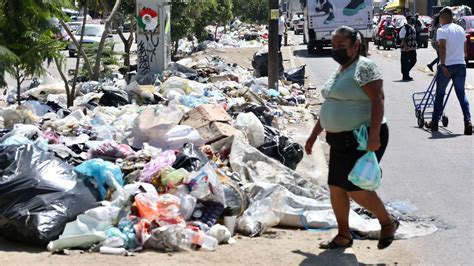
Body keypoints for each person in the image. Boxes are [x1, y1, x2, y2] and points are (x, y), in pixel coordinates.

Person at [305, 26, 399, 250]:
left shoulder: (365, 67)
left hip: (362, 136)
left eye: (341, 46)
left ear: (356, 45)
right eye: (334, 45)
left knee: (354, 187)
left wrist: (374, 136)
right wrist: (313, 134)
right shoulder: (341, 69)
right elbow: (331, 104)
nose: (335, 49)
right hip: (338, 139)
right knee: (336, 187)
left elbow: (378, 100)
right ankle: (344, 235)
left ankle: (387, 222)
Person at [426, 7, 472, 135]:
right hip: (461, 64)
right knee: (461, 95)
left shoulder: (442, 30)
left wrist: (443, 65)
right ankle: (468, 122)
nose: (439, 21)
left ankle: (434, 123)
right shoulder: (460, 29)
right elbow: (465, 49)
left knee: (440, 94)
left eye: (440, 18)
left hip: (448, 66)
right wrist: (464, 60)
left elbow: (442, 49)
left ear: (443, 18)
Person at [399, 17, 417, 81]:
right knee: (405, 62)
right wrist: (406, 46)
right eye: (411, 19)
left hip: (412, 48)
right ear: (408, 20)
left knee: (413, 60)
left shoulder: (413, 27)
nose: (413, 20)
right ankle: (405, 75)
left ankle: (405, 72)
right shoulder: (405, 27)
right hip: (406, 48)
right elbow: (402, 37)